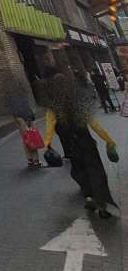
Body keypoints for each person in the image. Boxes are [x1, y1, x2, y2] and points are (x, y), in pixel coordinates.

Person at [42, 73, 120, 219]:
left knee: (79, 171)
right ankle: (102, 206)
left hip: (72, 148)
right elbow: (95, 125)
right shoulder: (79, 102)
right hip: (87, 144)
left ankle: (88, 197)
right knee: (96, 172)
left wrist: (46, 145)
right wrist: (109, 140)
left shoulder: (53, 108)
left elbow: (49, 128)